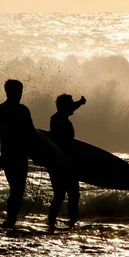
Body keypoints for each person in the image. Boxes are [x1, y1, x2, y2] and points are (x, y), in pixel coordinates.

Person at [0, 79, 36, 229]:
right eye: (18, 91)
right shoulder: (2, 111)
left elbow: (31, 134)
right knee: (17, 190)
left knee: (17, 190)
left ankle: (11, 220)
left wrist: (36, 154)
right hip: (12, 156)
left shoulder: (19, 110)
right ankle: (10, 221)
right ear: (9, 92)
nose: (20, 94)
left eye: (21, 91)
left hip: (17, 155)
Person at [47, 94, 86, 230]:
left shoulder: (58, 117)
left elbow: (69, 108)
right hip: (62, 163)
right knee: (67, 195)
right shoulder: (59, 120)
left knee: (66, 195)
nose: (73, 108)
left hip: (63, 163)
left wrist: (80, 103)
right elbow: (62, 143)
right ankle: (65, 222)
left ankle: (58, 221)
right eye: (70, 105)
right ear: (65, 106)